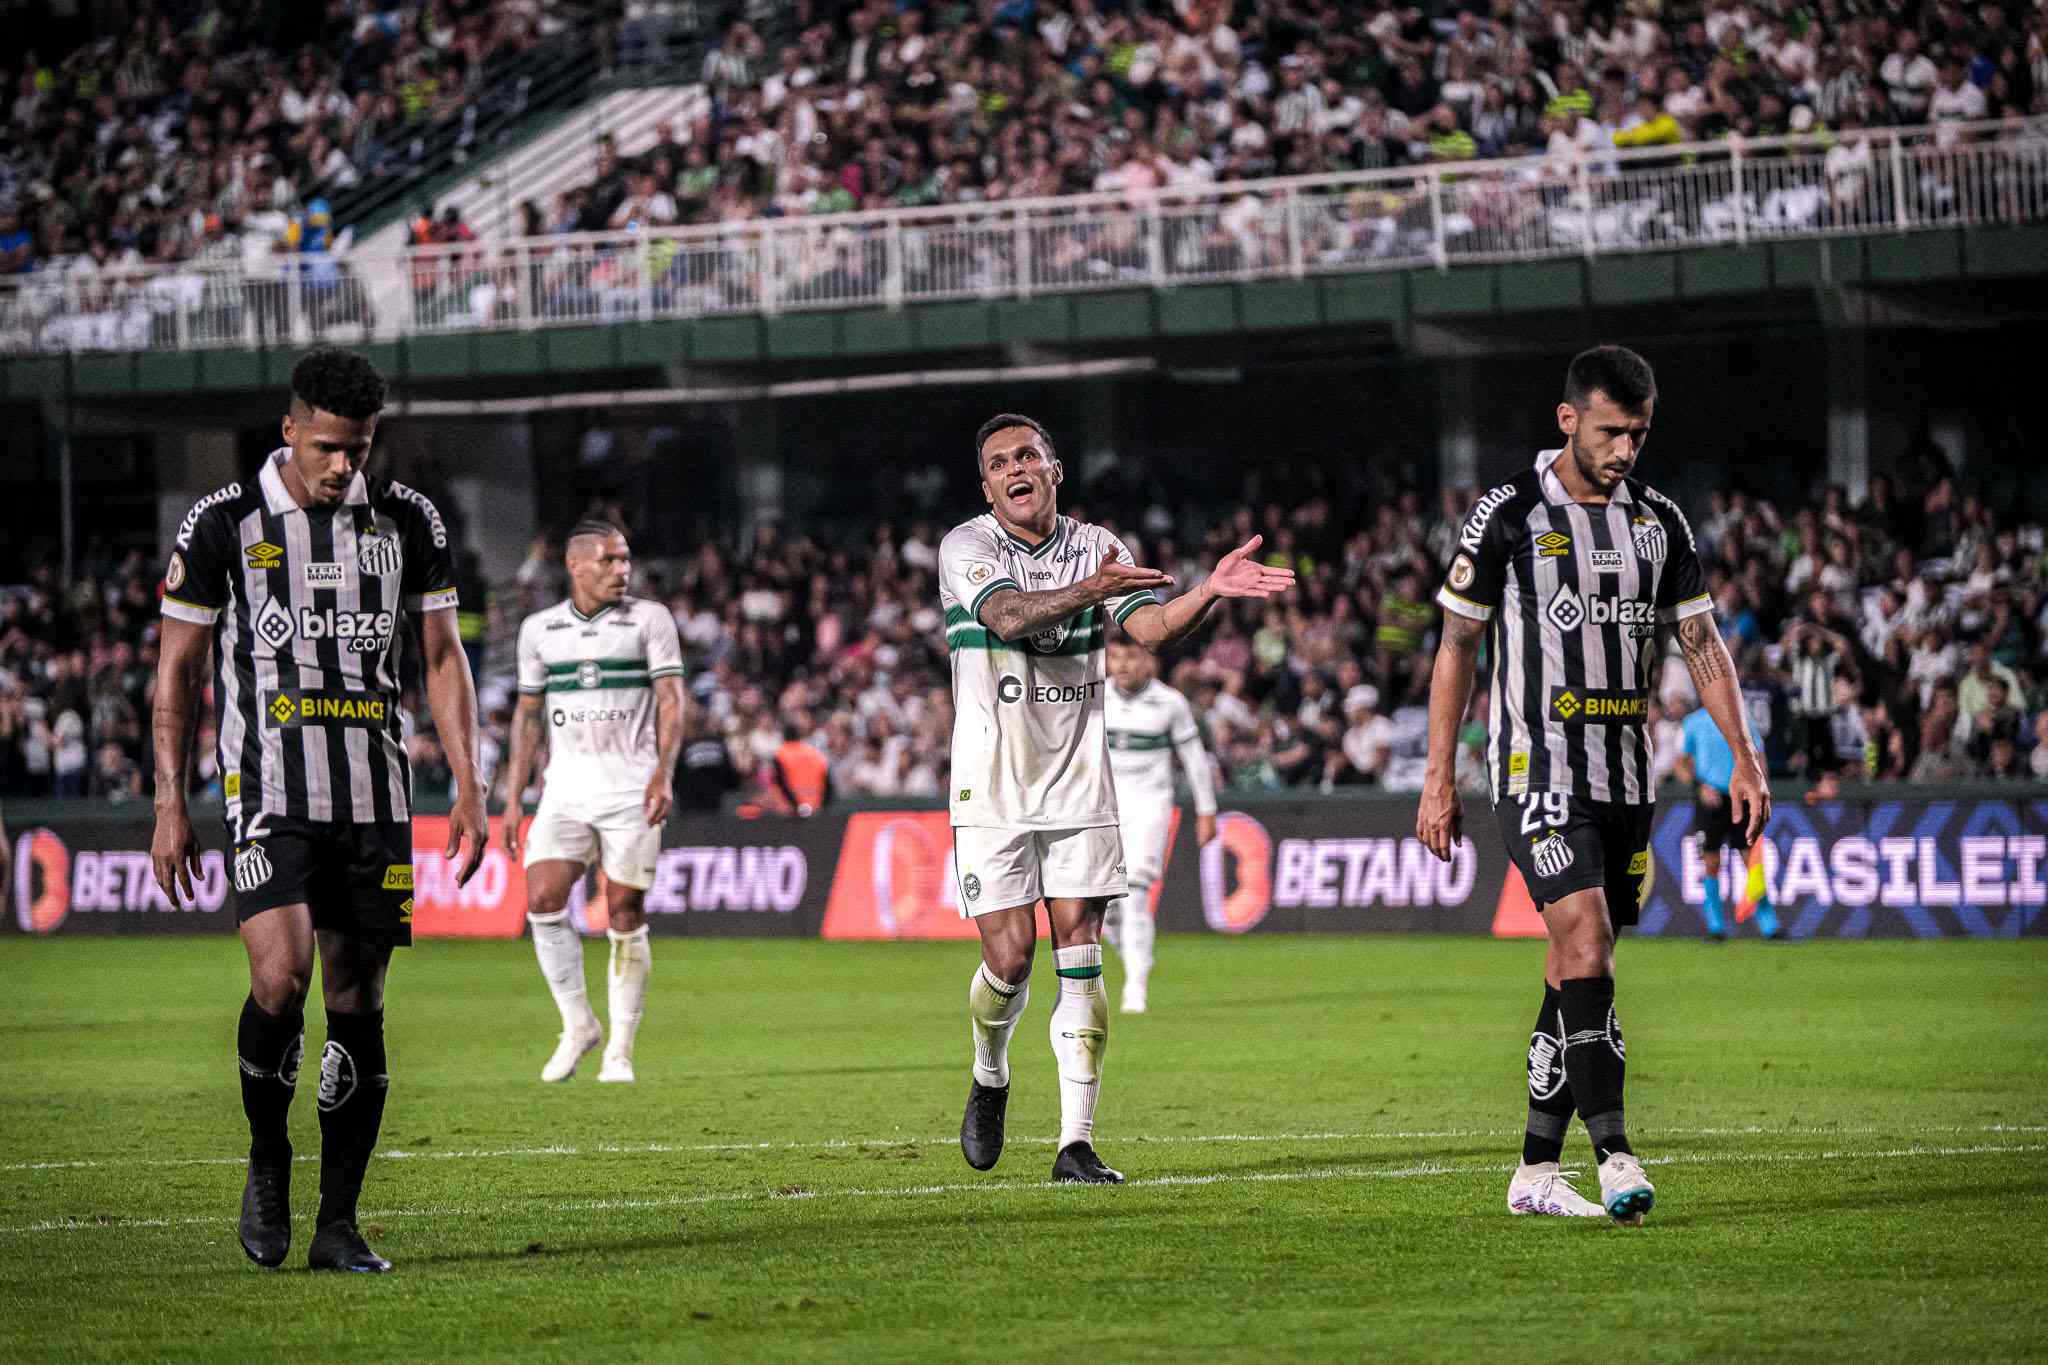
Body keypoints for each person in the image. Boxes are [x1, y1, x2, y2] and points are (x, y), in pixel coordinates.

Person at [150, 347, 487, 1274]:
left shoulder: (406, 519)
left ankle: (338, 1223)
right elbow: (176, 671)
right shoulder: (223, 523)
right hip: (266, 791)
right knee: (281, 977)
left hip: (375, 794)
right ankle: (269, 1157)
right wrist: (169, 801)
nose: (346, 466)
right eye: (332, 447)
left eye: (362, 448)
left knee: (356, 999)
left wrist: (469, 781)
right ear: (291, 429)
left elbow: (442, 655)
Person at [1416, 346, 1769, 1227]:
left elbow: (1702, 646)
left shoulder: (1659, 520)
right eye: (1612, 431)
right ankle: (1615, 1154)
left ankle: (1536, 1171)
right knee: (1586, 934)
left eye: (1639, 434)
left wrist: (1747, 755)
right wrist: (1437, 778)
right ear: (1568, 418)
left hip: (1624, 774)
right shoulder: (1505, 515)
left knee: (1573, 966)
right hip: (1536, 767)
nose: (1626, 450)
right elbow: (1457, 647)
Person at [945, 413, 1294, 1185]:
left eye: (1028, 454)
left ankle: (1076, 1141)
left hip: (1077, 779)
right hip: (992, 778)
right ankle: (990, 1069)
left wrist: (1212, 589)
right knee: (1008, 958)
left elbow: (1154, 627)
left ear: (1055, 467)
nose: (1015, 468)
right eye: (999, 461)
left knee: (1080, 954)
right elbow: (1006, 617)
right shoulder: (966, 547)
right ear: (987, 484)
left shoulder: (1098, 544)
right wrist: (1092, 589)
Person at [498, 521, 686, 1085]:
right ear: (576, 565)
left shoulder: (650, 619)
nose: (621, 570)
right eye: (609, 560)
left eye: (625, 559)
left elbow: (671, 699)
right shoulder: (540, 629)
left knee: (624, 910)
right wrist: (511, 799)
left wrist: (663, 772)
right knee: (543, 897)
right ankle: (579, 1024)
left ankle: (620, 1051)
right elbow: (527, 717)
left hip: (631, 788)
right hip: (565, 790)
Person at [1102, 634, 1218, 1014]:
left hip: (1148, 807)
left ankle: (1135, 988)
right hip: (1100, 809)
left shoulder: (1170, 703)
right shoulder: (1095, 696)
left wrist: (1206, 811)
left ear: (1149, 660)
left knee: (1134, 897)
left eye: (1131, 656)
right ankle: (1137, 960)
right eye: (1115, 656)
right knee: (1099, 908)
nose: (1122, 665)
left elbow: (1195, 760)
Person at [1674, 705, 1781, 941]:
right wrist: (1699, 786)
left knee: (1751, 859)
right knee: (1711, 861)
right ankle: (1715, 926)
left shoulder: (1742, 717)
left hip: (1741, 797)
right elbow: (1680, 763)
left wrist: (1760, 786)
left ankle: (1769, 925)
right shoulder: (1693, 722)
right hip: (1710, 800)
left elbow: (1758, 755)